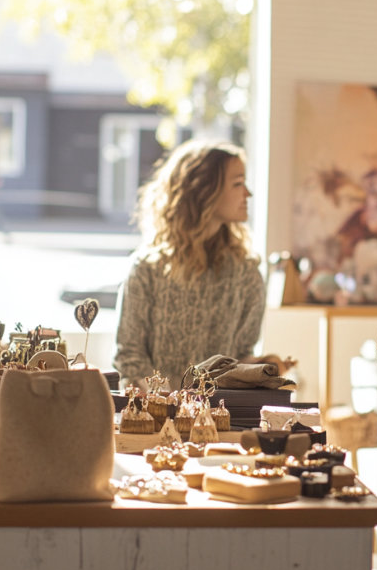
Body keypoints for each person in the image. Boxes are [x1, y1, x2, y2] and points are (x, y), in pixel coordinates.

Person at [114, 139, 286, 388]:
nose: (247, 193)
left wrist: (263, 366)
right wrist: (178, 401)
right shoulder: (146, 269)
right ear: (205, 191)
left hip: (221, 421)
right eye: (238, 183)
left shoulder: (246, 273)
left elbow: (239, 358)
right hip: (155, 419)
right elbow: (129, 361)